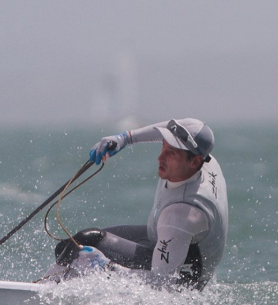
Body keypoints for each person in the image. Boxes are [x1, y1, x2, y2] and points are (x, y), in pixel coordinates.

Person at [54, 118, 228, 289]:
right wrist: (125, 138)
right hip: (167, 242)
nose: (161, 158)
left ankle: (47, 293)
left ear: (194, 161)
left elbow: (161, 282)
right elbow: (167, 128)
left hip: (183, 278)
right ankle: (48, 284)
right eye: (163, 146)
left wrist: (105, 267)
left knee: (86, 244)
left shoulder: (180, 215)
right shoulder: (203, 158)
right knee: (70, 247)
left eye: (172, 153)